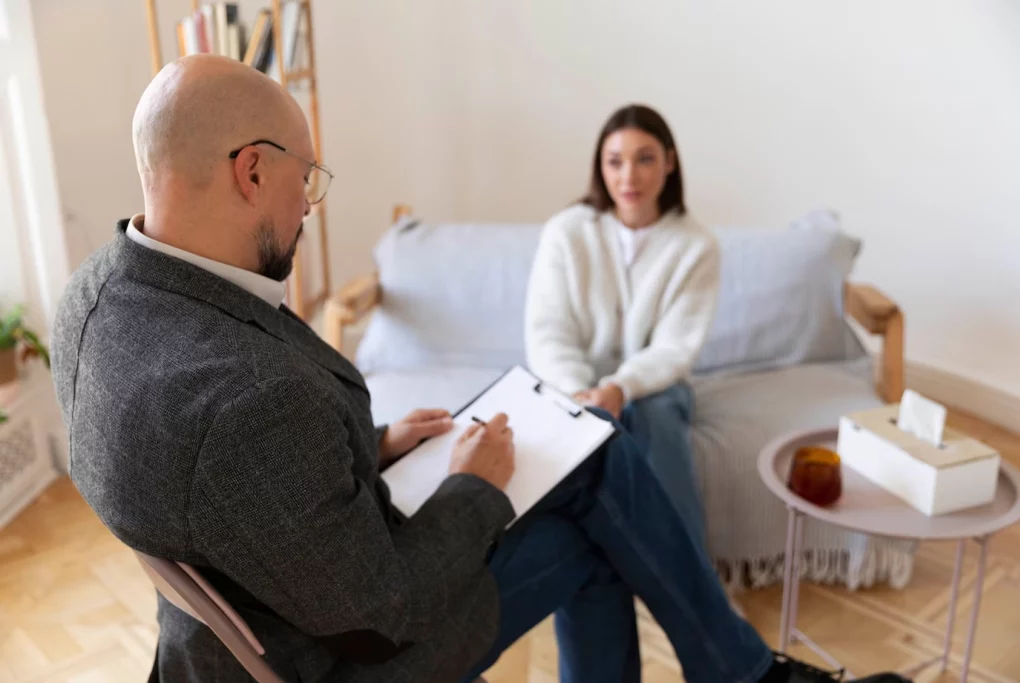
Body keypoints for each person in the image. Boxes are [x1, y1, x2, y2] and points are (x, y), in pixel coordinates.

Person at [51, 56, 907, 683]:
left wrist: (374, 446)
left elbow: (249, 492)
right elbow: (386, 610)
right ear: (251, 171)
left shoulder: (97, 298)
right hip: (350, 654)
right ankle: (745, 674)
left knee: (596, 447)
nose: (309, 204)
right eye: (303, 178)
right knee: (597, 500)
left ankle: (741, 671)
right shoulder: (248, 404)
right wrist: (475, 488)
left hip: (264, 609)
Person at [525, 104, 717, 550]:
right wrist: (580, 393)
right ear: (600, 167)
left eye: (645, 158)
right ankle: (609, 571)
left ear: (670, 162)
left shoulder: (696, 246)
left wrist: (620, 387)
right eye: (615, 161)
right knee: (580, 430)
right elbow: (547, 332)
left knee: (654, 414)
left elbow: (675, 348)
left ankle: (693, 574)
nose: (628, 176)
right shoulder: (565, 232)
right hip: (568, 385)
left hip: (652, 389)